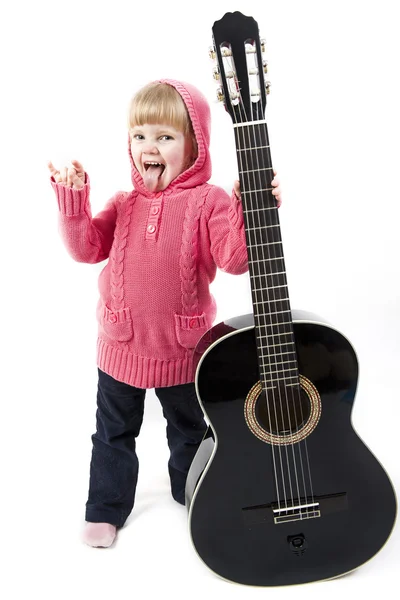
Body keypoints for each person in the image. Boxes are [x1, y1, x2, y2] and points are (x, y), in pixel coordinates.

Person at [48, 79, 282, 548]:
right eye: (140, 136)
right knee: (113, 435)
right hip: (121, 346)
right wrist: (73, 203)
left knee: (191, 431)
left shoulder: (207, 201)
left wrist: (252, 212)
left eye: (165, 137)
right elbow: (85, 248)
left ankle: (192, 489)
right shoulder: (124, 203)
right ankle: (106, 508)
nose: (148, 148)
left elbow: (236, 259)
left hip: (184, 348)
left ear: (195, 146)